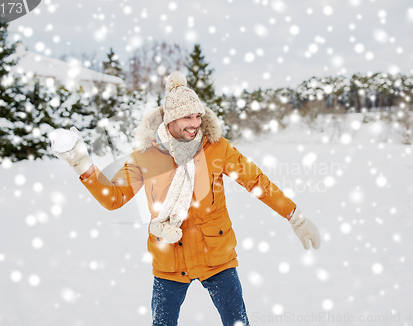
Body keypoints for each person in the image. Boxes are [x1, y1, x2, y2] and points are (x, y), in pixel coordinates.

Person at [52, 71, 321, 326]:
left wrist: (294, 216)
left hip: (216, 256)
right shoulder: (145, 155)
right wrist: (82, 165)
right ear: (170, 120)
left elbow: (257, 182)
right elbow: (114, 197)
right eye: (187, 118)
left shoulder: (217, 148)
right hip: (169, 258)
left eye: (197, 116)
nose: (195, 124)